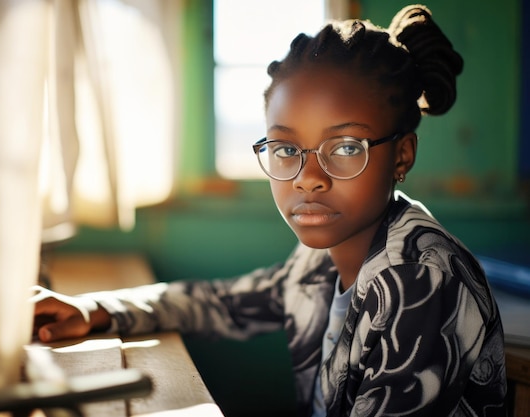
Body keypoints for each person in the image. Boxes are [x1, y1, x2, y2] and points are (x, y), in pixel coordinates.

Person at [32, 5, 508, 416]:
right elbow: (222, 303)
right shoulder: (322, 256)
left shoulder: (420, 279)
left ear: (402, 155)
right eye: (284, 148)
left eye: (344, 147)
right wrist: (94, 309)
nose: (308, 176)